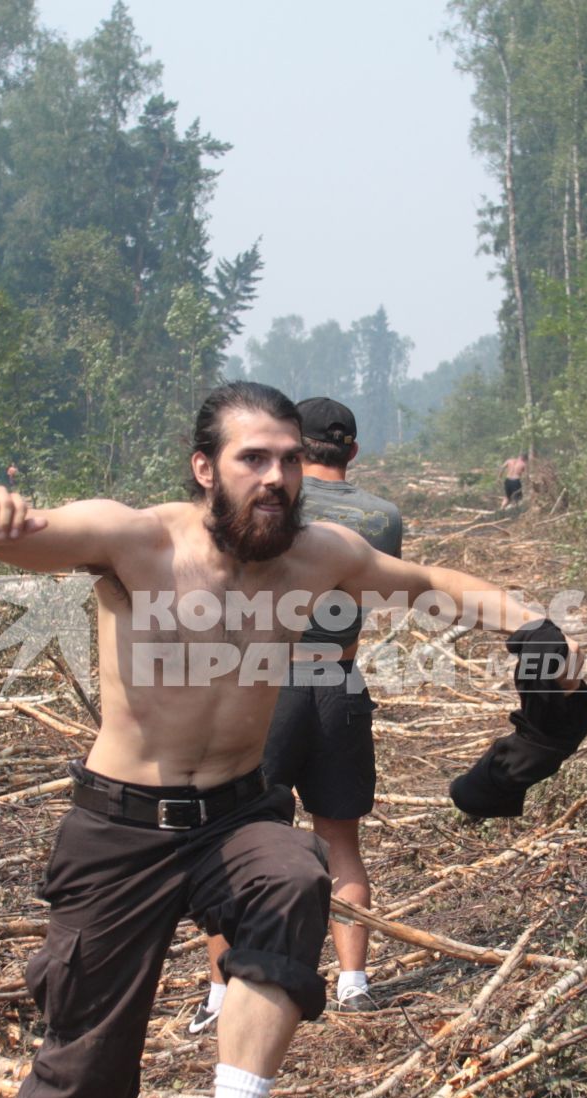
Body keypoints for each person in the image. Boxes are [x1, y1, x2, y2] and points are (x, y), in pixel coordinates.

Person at [0, 383, 579, 1098]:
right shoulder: (140, 538)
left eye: (287, 458)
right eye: (253, 459)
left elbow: (429, 584)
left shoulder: (320, 556)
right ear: (205, 468)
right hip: (121, 824)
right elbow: (7, 536)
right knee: (88, 1060)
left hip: (236, 811)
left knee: (295, 872)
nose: (276, 477)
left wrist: (537, 627)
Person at [188, 397, 404, 1035]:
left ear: (294, 452)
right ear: (353, 451)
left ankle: (222, 995)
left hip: (267, 687)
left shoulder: (273, 513)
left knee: (235, 840)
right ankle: (354, 984)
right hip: (338, 679)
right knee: (341, 839)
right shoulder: (381, 518)